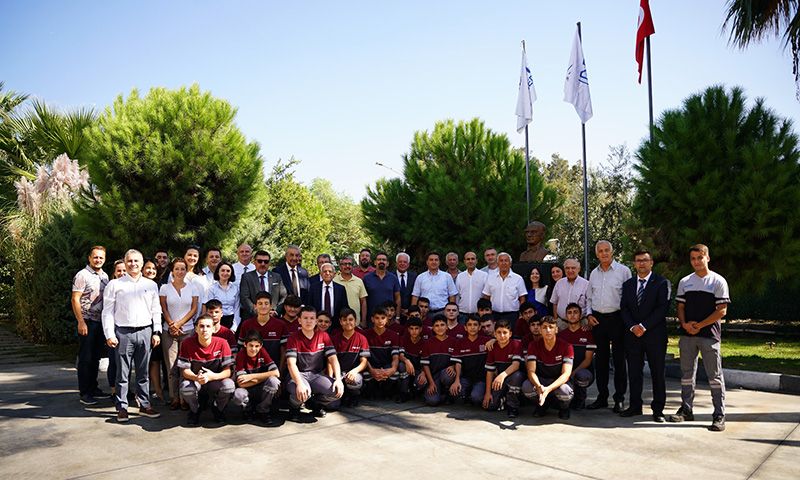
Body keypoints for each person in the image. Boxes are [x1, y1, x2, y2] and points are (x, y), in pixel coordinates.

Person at [669, 244, 730, 432]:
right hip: (687, 335)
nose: (696, 261)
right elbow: (680, 307)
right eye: (693, 258)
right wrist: (685, 324)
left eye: (700, 257)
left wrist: (700, 325)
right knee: (687, 374)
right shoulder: (685, 281)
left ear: (707, 258)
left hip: (709, 336)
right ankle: (686, 409)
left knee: (714, 376)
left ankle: (719, 414)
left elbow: (722, 310)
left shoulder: (718, 281)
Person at [101, 249, 162, 423]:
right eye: (129, 261)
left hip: (145, 331)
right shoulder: (115, 285)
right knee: (122, 373)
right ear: (125, 262)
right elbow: (107, 312)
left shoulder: (150, 285)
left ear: (142, 264)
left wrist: (156, 331)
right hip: (123, 332)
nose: (133, 264)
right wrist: (109, 334)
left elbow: (156, 309)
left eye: (136, 261)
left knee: (143, 372)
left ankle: (144, 404)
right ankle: (122, 407)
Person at [620, 250, 670, 422]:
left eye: (645, 260)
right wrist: (633, 326)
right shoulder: (628, 284)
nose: (641, 263)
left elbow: (662, 308)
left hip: (655, 335)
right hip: (633, 336)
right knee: (634, 372)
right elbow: (624, 308)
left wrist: (643, 326)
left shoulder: (662, 283)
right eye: (638, 260)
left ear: (651, 263)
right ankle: (635, 406)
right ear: (634, 264)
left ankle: (658, 410)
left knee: (657, 373)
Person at [585, 240, 633, 413]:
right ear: (596, 254)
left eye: (607, 250)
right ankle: (602, 397)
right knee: (601, 361)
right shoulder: (593, 273)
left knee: (619, 360)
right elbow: (589, 297)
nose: (604, 253)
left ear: (612, 252)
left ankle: (619, 398)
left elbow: (630, 298)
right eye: (600, 251)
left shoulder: (624, 271)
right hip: (598, 320)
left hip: (618, 319)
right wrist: (589, 315)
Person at [285, 306, 345, 420]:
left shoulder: (324, 336)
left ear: (316, 321)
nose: (309, 321)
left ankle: (315, 403)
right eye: (305, 318)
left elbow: (333, 359)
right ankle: (294, 408)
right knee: (303, 392)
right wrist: (299, 383)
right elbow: (291, 364)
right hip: (298, 375)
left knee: (336, 391)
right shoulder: (293, 338)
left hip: (316, 375)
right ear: (299, 320)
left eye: (312, 318)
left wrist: (338, 379)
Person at [177, 314, 235, 426]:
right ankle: (195, 410)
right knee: (185, 387)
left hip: (215, 380)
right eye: (201, 326)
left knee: (229, 386)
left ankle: (218, 409)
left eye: (208, 326)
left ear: (213, 329)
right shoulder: (187, 343)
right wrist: (196, 377)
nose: (205, 329)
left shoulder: (223, 343)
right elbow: (184, 371)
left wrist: (212, 376)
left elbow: (228, 371)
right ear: (196, 329)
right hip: (196, 381)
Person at [72, 246, 111, 405]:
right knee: (86, 358)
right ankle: (85, 392)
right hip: (87, 321)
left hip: (100, 322)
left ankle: (93, 388)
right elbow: (75, 299)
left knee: (95, 357)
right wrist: (81, 321)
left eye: (101, 257)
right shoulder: (82, 275)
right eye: (95, 257)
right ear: (89, 258)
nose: (98, 260)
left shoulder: (105, 276)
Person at [159, 257, 200, 410]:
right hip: (168, 331)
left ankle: (184, 398)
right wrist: (172, 324)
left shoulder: (193, 288)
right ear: (172, 270)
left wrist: (180, 323)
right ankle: (174, 398)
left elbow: (194, 309)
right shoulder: (164, 288)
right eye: (177, 268)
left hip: (187, 330)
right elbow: (163, 308)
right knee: (171, 366)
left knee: (184, 366)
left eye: (183, 269)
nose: (180, 271)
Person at [522, 316, 575, 420]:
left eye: (551, 327)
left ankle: (564, 408)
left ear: (556, 329)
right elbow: (531, 371)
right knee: (526, 387)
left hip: (558, 382)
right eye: (544, 327)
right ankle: (542, 405)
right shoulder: (533, 345)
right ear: (540, 330)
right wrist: (538, 386)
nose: (548, 330)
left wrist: (548, 389)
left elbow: (566, 374)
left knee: (565, 391)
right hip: (541, 381)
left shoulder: (567, 346)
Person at [231, 330, 281, 425]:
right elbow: (241, 384)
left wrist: (251, 376)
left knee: (274, 381)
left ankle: (263, 410)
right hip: (247, 389)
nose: (254, 349)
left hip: (260, 388)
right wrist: (265, 376)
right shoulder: (241, 354)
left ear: (261, 346)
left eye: (257, 346)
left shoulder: (262, 352)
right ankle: (248, 410)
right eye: (251, 345)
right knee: (238, 395)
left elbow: (276, 373)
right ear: (245, 344)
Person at [481, 319, 524, 418]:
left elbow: (516, 365)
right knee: (490, 406)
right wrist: (488, 393)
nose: (502, 335)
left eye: (505, 332)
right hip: (499, 380)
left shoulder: (516, 344)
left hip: (513, 377)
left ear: (510, 334)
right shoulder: (492, 347)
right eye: (499, 333)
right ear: (495, 334)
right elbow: (490, 371)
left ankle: (513, 406)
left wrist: (502, 375)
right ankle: (503, 400)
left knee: (517, 376)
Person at [558, 303, 597, 410]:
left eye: (575, 312)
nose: (572, 315)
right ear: (566, 316)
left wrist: (572, 373)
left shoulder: (588, 334)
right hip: (565, 371)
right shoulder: (560, 336)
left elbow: (588, 360)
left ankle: (580, 399)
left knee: (582, 376)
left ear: (580, 316)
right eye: (569, 313)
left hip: (583, 371)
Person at [331, 308, 370, 406]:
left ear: (355, 321)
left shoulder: (362, 338)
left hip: (353, 373)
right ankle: (342, 396)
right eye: (344, 320)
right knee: (333, 402)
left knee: (355, 380)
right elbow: (330, 361)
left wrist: (354, 371)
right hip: (338, 373)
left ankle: (354, 396)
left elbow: (364, 361)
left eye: (351, 319)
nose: (348, 322)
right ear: (340, 322)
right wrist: (332, 377)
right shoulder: (335, 339)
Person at [450, 315, 490, 406]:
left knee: (476, 398)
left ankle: (473, 395)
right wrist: (457, 380)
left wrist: (493, 341)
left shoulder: (486, 341)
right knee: (456, 396)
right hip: (465, 378)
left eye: (475, 325)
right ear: (465, 327)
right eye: (470, 325)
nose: (472, 327)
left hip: (481, 379)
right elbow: (458, 363)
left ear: (479, 327)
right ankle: (465, 394)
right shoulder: (460, 342)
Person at [237, 292, 287, 365]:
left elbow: (284, 350)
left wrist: (280, 370)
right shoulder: (246, 324)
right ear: (255, 306)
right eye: (260, 303)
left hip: (274, 367)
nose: (263, 306)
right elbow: (242, 349)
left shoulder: (280, 325)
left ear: (271, 306)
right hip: (251, 368)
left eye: (266, 304)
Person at [363, 306, 401, 399]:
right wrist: (371, 370)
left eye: (383, 318)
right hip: (371, 366)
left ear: (387, 319)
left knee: (395, 373)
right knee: (365, 375)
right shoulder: (365, 335)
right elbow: (364, 358)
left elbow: (395, 356)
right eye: (377, 318)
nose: (380, 321)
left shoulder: (393, 335)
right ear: (372, 319)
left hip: (386, 366)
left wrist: (393, 369)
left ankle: (386, 391)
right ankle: (372, 391)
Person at [142, 258, 166, 404]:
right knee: (143, 360)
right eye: (148, 268)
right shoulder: (137, 285)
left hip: (157, 326)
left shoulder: (160, 286)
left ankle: (158, 390)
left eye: (154, 269)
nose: (151, 271)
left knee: (155, 360)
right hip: (142, 325)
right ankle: (142, 392)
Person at [420, 315, 457, 406]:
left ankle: (447, 392)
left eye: (442, 325)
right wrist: (431, 383)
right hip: (433, 376)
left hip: (446, 374)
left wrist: (453, 366)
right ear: (433, 328)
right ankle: (440, 395)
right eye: (436, 326)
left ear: (447, 326)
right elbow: (425, 365)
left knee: (448, 375)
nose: (440, 328)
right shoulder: (428, 343)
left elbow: (458, 361)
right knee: (432, 401)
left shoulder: (454, 341)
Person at [240, 250, 287, 319]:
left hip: (273, 317)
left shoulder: (276, 277)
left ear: (269, 263)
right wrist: (258, 312)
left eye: (266, 261)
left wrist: (276, 311)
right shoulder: (246, 277)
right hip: (253, 318)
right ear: (254, 262)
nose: (263, 264)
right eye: (259, 261)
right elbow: (244, 297)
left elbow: (284, 296)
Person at [481, 252, 527, 323]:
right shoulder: (490, 278)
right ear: (497, 263)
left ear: (510, 264)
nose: (503, 263)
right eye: (501, 261)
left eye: (506, 261)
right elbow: (486, 297)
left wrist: (521, 314)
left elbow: (522, 299)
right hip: (494, 314)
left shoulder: (518, 279)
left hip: (512, 315)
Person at [550, 259, 590, 329]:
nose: (570, 270)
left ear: (579, 269)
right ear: (564, 269)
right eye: (567, 268)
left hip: (581, 324)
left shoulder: (586, 284)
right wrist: (556, 319)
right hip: (561, 324)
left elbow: (589, 304)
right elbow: (555, 303)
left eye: (573, 268)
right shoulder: (559, 283)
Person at [363, 251, 401, 320]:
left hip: (389, 318)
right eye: (379, 259)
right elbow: (363, 300)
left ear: (387, 263)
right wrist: (364, 319)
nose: (381, 261)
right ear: (375, 262)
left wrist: (397, 317)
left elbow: (397, 298)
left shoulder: (393, 278)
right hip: (372, 318)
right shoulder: (367, 278)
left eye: (384, 260)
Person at [334, 255, 369, 327]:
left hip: (356, 322)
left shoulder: (359, 281)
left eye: (349, 264)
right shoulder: (334, 281)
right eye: (344, 264)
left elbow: (363, 301)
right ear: (340, 266)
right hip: (338, 322)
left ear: (353, 266)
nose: (347, 266)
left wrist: (363, 320)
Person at [206, 261, 240, 330]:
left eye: (228, 271)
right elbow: (210, 309)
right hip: (217, 320)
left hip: (232, 320)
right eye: (222, 270)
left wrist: (234, 327)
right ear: (218, 272)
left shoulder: (235, 288)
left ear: (231, 273)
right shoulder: (212, 288)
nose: (225, 273)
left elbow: (237, 308)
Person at [398, 316, 425, 401]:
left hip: (418, 370)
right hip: (407, 368)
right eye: (411, 328)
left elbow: (427, 361)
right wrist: (407, 361)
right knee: (401, 365)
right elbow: (401, 355)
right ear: (408, 329)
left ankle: (415, 391)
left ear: (420, 329)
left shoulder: (425, 343)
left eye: (416, 328)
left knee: (421, 383)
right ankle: (404, 392)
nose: (414, 331)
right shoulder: (403, 339)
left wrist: (423, 373)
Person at [456, 251, 489, 317]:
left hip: (478, 314)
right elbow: (457, 295)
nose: (470, 261)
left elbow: (486, 295)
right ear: (464, 261)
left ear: (476, 261)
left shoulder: (484, 275)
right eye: (468, 259)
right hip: (462, 313)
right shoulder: (460, 276)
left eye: (472, 259)